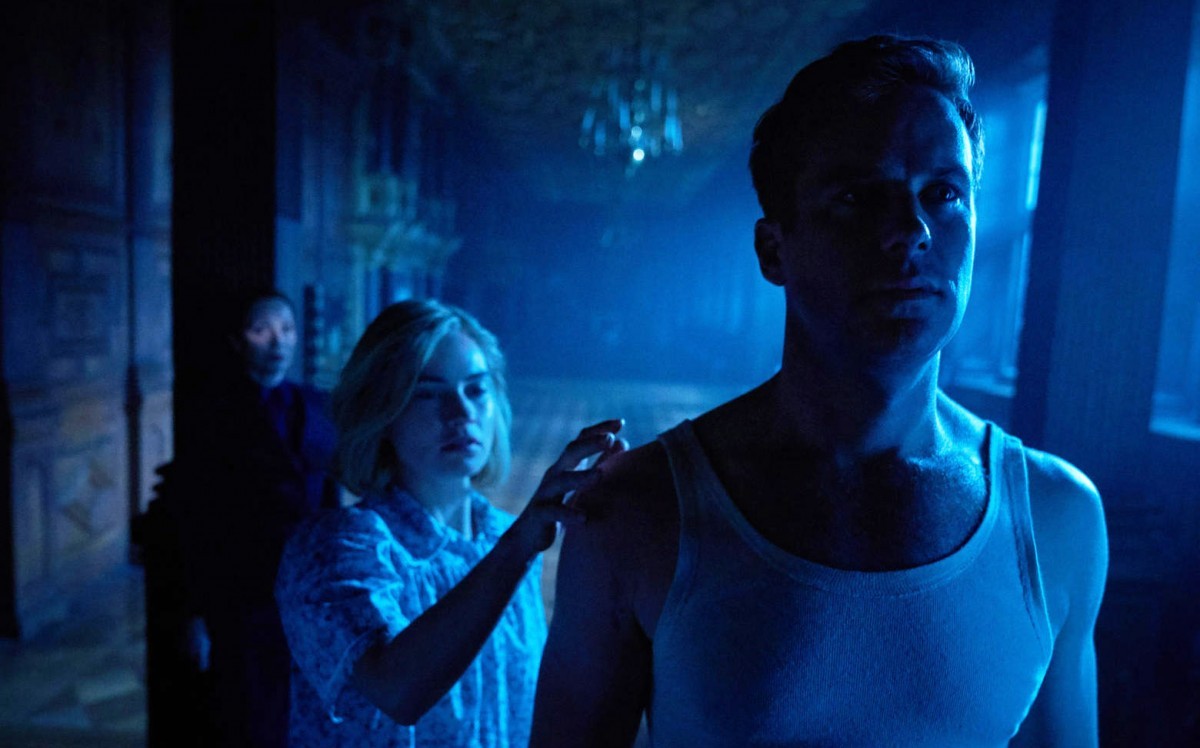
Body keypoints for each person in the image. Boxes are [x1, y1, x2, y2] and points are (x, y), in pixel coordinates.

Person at [531, 34, 1108, 747]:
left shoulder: (1056, 516)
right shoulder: (638, 510)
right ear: (774, 249)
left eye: (943, 194)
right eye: (858, 198)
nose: (911, 232)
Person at [274, 299, 626, 747]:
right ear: (381, 408)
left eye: (476, 390)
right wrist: (516, 549)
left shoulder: (502, 536)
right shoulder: (336, 548)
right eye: (427, 393)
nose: (460, 413)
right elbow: (396, 690)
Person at [169, 289, 340, 747]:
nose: (277, 341)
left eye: (286, 329)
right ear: (237, 340)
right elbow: (195, 519)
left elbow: (329, 500)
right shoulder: (211, 415)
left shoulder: (316, 405)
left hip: (305, 589)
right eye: (261, 330)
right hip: (240, 591)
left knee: (302, 707)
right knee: (247, 713)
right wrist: (193, 612)